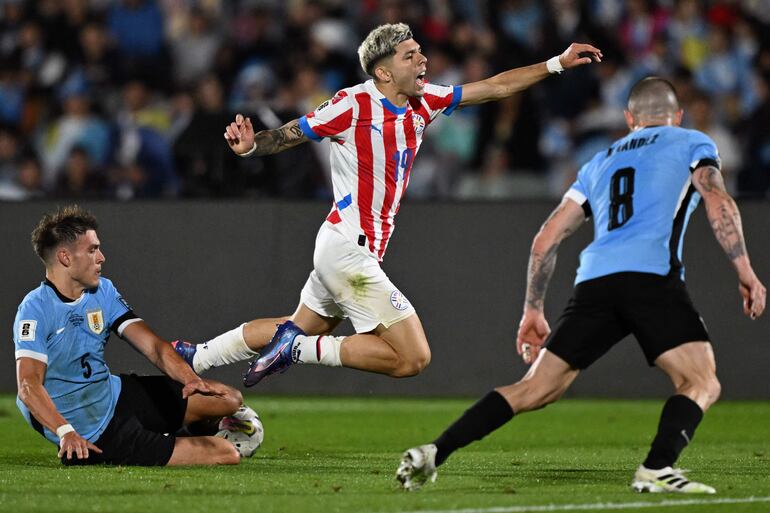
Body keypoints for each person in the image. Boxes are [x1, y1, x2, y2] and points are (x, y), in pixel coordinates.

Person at [172, 23, 602, 386]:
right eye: (410, 56)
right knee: (412, 357)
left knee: (297, 324)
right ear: (382, 72)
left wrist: (556, 64)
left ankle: (197, 357)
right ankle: (296, 350)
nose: (422, 61)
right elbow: (290, 133)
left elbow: (494, 87)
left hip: (354, 248)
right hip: (346, 248)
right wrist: (250, 148)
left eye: (420, 53)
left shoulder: (425, 100)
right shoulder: (352, 104)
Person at [395, 77, 766, 493]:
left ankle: (434, 451)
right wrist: (745, 270)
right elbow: (718, 200)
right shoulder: (691, 142)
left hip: (594, 283)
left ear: (629, 120)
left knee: (534, 389)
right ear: (675, 117)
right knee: (701, 381)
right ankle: (657, 468)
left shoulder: (599, 162)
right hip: (651, 277)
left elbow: (546, 239)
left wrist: (533, 309)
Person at [14, 205, 260, 466]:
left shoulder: (102, 291)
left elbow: (153, 346)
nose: (101, 257)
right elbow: (28, 386)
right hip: (91, 431)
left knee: (229, 399)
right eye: (92, 249)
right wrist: (66, 433)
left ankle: (175, 431)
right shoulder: (35, 309)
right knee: (226, 453)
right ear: (65, 257)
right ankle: (162, 438)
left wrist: (190, 379)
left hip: (114, 394)